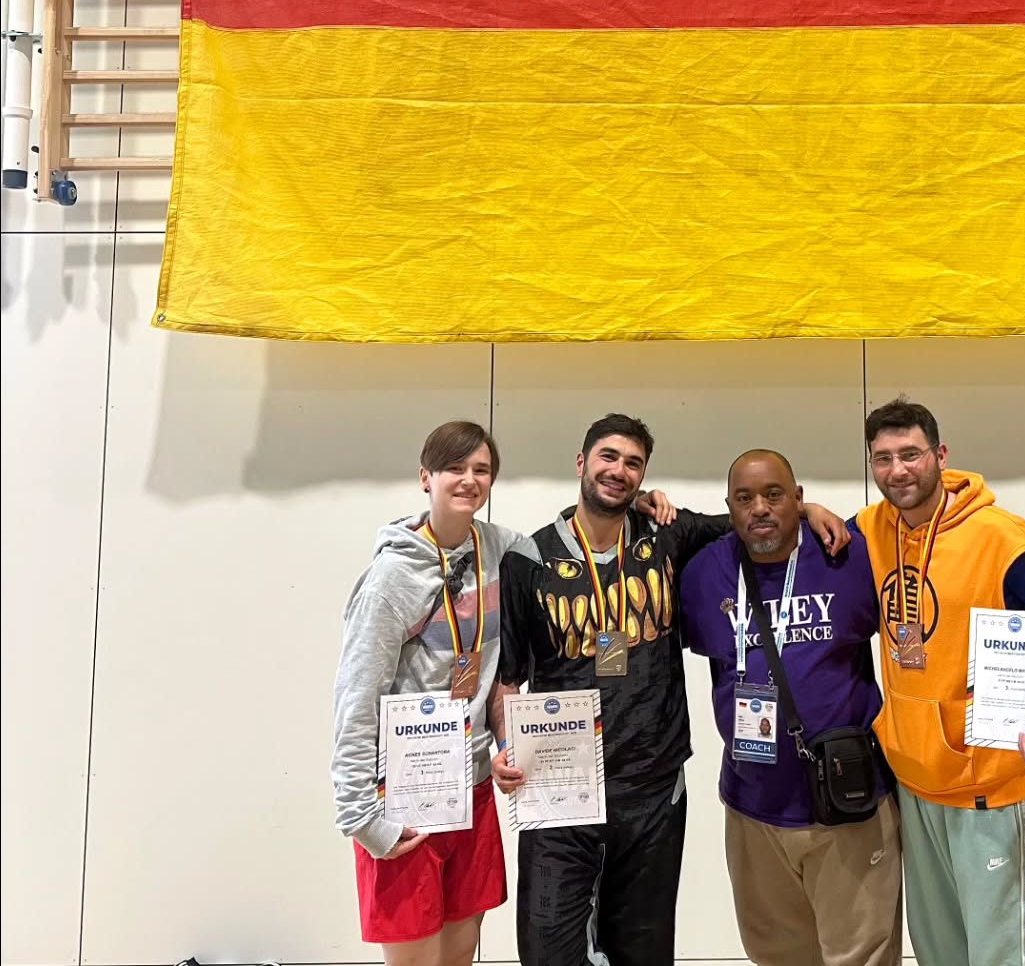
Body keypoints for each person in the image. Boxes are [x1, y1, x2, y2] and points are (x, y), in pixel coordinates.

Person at [493, 414, 850, 966]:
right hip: (563, 789)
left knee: (644, 953)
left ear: (643, 476)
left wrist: (807, 509)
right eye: (608, 457)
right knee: (547, 953)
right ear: (581, 462)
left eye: (633, 463)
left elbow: (751, 518)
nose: (619, 471)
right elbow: (508, 678)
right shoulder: (528, 560)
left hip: (653, 790)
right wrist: (506, 747)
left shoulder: (668, 535)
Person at [855, 398, 1025, 966]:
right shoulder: (872, 529)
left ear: (940, 455)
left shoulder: (1000, 538)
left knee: (1003, 958)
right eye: (883, 458)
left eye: (911, 454)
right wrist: (809, 507)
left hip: (989, 789)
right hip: (915, 787)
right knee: (940, 955)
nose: (897, 470)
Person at [680, 449, 902, 966]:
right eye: (744, 498)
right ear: (729, 507)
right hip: (753, 807)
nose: (759, 507)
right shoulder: (703, 573)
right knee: (776, 955)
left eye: (774, 495)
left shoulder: (846, 555)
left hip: (848, 803)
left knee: (862, 955)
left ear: (798, 499)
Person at [330, 420, 518, 966]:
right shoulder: (392, 578)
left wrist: (638, 504)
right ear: (425, 477)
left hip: (472, 789)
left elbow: (574, 542)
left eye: (481, 469)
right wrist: (360, 816)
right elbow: (355, 699)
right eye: (454, 468)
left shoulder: (502, 550)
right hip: (404, 799)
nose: (469, 480)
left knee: (459, 955)